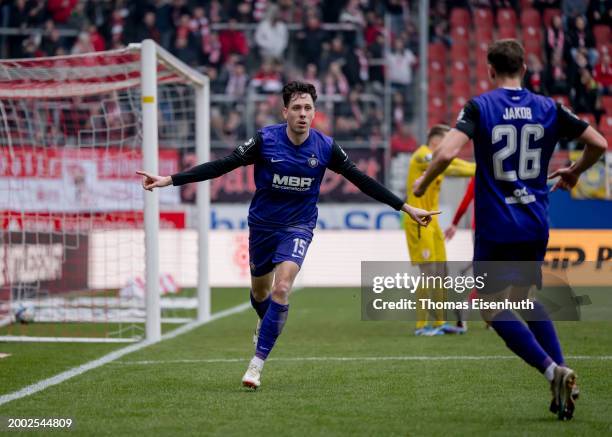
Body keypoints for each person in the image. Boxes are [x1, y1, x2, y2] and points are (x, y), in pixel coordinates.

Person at [137, 81, 439, 389]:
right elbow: (223, 165)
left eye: (308, 108)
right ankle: (265, 320)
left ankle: (256, 365)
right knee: (260, 294)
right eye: (296, 108)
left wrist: (405, 207)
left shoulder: (325, 147)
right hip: (262, 226)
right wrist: (169, 180)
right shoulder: (265, 140)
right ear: (285, 112)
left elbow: (361, 179)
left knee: (282, 288)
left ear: (315, 112)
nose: (303, 114)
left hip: (298, 226)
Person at [413, 39, 607, 420]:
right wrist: (575, 171)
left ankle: (552, 371)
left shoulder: (480, 106)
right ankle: (563, 374)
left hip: (497, 225)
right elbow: (598, 142)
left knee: (490, 308)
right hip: (535, 222)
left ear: (490, 69)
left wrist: (422, 184)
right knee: (520, 299)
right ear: (525, 68)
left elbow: (448, 152)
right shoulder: (548, 107)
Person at [404, 125, 475, 336]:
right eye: (448, 141)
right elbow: (453, 166)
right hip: (418, 221)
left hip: (433, 221)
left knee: (442, 273)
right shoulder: (422, 156)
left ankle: (439, 323)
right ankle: (421, 326)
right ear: (437, 141)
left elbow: (453, 166)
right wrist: (483, 168)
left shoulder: (435, 160)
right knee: (428, 274)